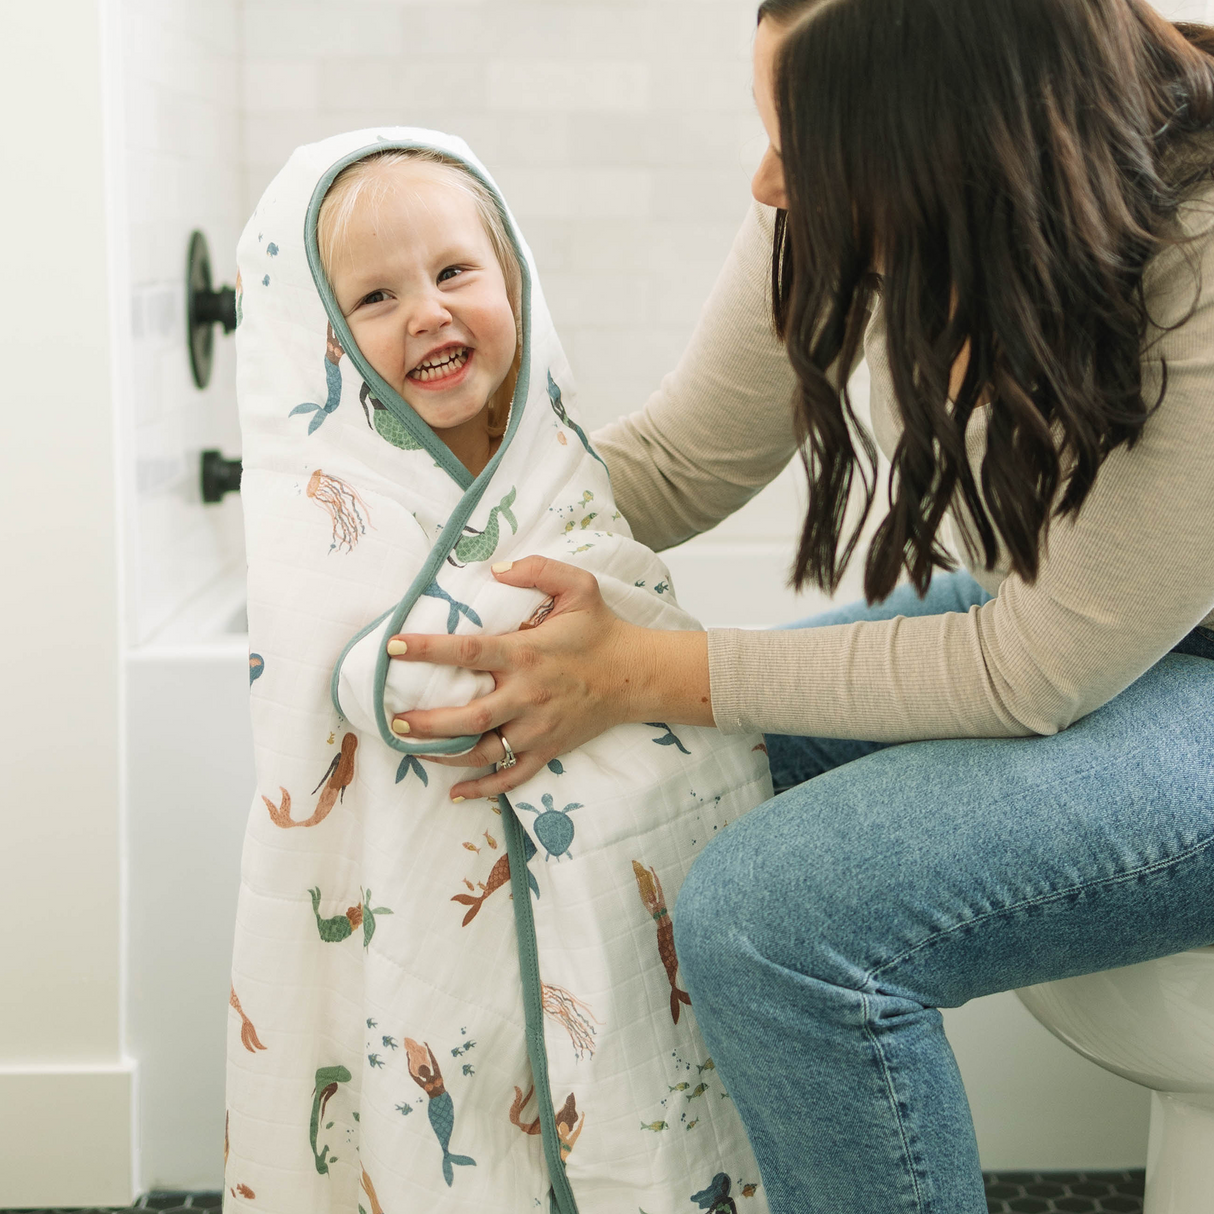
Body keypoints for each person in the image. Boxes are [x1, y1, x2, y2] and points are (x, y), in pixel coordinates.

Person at [385, 1, 1214, 1210]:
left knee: (774, 921)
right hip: (1096, 630)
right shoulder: (859, 187)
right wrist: (421, 530)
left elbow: (1031, 671)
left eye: (806, 145)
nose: (767, 181)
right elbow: (680, 457)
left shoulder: (1195, 243)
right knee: (678, 761)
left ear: (964, 139)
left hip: (1115, 657)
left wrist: (638, 665)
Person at [227, 131, 771, 1214]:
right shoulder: (327, 498)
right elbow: (367, 668)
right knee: (462, 1136)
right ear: (323, 343)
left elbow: (623, 584)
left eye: (454, 272)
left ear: (512, 281)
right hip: (420, 898)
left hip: (596, 895)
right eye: (375, 298)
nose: (426, 311)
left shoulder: (553, 458)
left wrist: (581, 621)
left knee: (605, 1121)